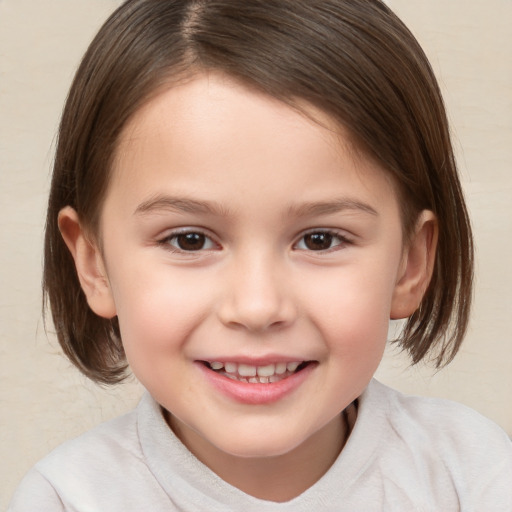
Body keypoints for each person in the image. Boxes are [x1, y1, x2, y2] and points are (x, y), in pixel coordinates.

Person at [8, 0, 512, 510]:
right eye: (189, 240)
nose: (257, 307)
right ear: (94, 265)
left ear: (410, 263)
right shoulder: (66, 499)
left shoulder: (473, 476)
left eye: (320, 239)